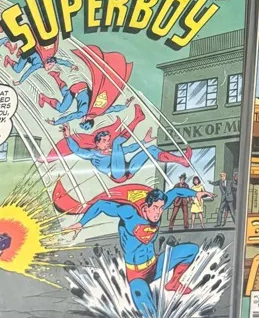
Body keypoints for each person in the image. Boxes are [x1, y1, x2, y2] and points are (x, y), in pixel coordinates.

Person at [65, 185, 200, 318]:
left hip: (155, 265)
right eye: (155, 208)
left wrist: (196, 194)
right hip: (137, 275)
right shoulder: (129, 213)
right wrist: (81, 223)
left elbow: (176, 192)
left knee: (191, 250)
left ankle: (173, 283)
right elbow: (100, 205)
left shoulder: (159, 207)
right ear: (146, 207)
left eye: (161, 208)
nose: (158, 212)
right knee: (150, 312)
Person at [62, 124, 190, 183]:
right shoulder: (93, 154)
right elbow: (77, 150)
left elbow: (129, 149)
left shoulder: (113, 151)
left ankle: (182, 160)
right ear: (97, 143)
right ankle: (137, 119)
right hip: (117, 175)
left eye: (108, 140)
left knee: (151, 149)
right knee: (117, 142)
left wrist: (143, 142)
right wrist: (68, 137)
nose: (107, 143)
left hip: (128, 170)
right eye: (104, 141)